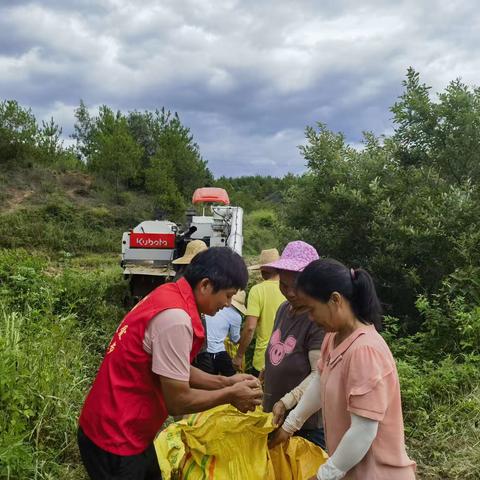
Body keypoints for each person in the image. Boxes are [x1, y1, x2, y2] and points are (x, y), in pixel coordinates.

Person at [77, 247, 263, 480]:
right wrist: (230, 395)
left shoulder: (169, 294)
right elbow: (177, 401)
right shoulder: (176, 319)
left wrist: (225, 381)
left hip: (128, 429)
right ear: (205, 285)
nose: (228, 303)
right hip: (114, 437)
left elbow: (173, 367)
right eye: (227, 295)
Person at [269, 259, 416, 480]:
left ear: (335, 300)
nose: (310, 317)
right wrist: (290, 425)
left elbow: (364, 431)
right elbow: (321, 381)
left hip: (377, 473)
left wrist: (323, 476)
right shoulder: (333, 338)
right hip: (352, 471)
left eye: (311, 309)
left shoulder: (365, 351)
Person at [261, 241, 326, 449]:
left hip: (305, 426)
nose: (290, 292)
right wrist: (267, 370)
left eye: (297, 286)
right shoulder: (283, 309)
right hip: (275, 415)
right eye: (284, 285)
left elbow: (319, 374)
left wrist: (287, 401)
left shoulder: (318, 319)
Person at [233, 248, 286, 376]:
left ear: (262, 271)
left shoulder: (258, 290)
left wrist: (239, 355)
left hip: (263, 358)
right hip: (286, 357)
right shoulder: (289, 289)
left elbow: (250, 327)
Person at [194, 290, 246, 376]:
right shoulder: (236, 316)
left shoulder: (214, 305)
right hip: (217, 351)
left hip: (201, 350)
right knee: (232, 379)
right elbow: (235, 339)